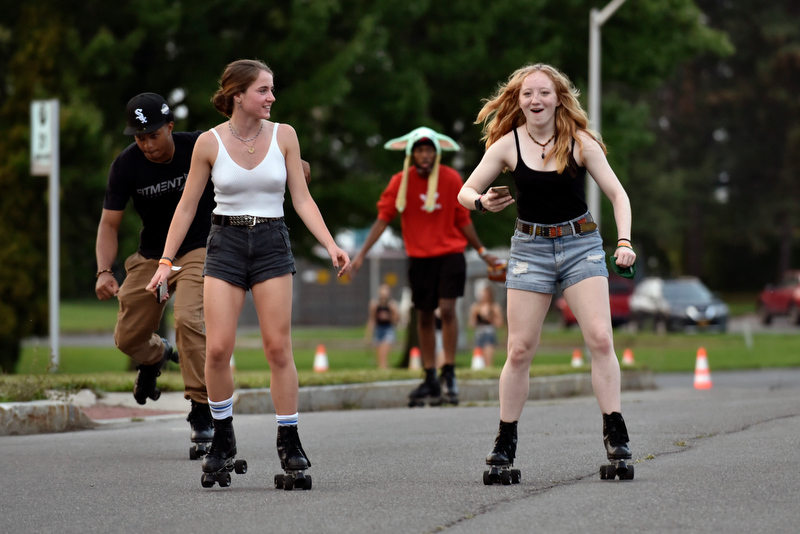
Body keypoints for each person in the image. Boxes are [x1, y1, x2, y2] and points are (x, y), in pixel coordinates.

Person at [146, 59, 349, 489]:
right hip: (225, 244)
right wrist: (166, 260)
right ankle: (222, 436)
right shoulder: (209, 143)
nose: (272, 97)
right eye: (264, 90)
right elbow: (186, 207)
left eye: (272, 90)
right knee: (217, 349)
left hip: (273, 241)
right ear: (238, 95)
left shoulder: (285, 136)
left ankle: (289, 438)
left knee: (279, 348)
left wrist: (331, 244)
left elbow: (303, 199)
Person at [457, 63, 637, 482]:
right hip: (530, 249)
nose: (535, 100)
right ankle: (505, 441)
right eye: (527, 94)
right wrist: (481, 202)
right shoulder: (507, 145)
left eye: (543, 93)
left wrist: (624, 242)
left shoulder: (580, 142)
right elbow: (465, 191)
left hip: (581, 244)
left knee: (599, 337)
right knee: (519, 349)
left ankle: (616, 433)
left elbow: (617, 193)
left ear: (559, 98)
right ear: (518, 101)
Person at [95, 92, 214, 458]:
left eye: (154, 135)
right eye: (139, 137)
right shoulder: (126, 165)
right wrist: (103, 270)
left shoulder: (198, 145)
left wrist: (291, 162)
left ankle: (201, 411)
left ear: (170, 128)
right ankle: (154, 356)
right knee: (128, 338)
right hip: (152, 255)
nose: (147, 145)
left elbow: (248, 150)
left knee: (188, 318)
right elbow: (109, 224)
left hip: (198, 247)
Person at [351, 126, 499, 407]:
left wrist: (482, 251)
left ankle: (450, 372)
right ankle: (430, 376)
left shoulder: (451, 178)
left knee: (447, 310)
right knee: (424, 315)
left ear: (436, 153)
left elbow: (463, 220)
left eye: (429, 150)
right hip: (419, 258)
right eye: (419, 150)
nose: (425, 154)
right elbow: (383, 219)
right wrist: (360, 255)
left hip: (450, 254)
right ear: (412, 154)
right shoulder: (400, 182)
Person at [365, 283, 400, 369]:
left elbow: (396, 321)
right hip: (379, 330)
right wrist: (368, 335)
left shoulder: (392, 305)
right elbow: (372, 320)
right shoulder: (374, 305)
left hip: (388, 330)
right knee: (379, 355)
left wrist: (392, 313)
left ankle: (384, 369)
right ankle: (382, 370)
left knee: (384, 352)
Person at [468, 284, 504, 367]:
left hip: (489, 333)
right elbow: (471, 324)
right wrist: (478, 315)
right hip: (479, 334)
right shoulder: (476, 307)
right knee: (478, 360)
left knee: (488, 360)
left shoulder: (494, 306)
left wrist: (489, 318)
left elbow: (500, 323)